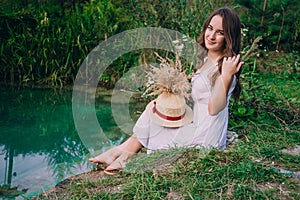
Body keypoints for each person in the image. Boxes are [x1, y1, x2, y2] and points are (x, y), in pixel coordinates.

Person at [89, 7, 243, 173]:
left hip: (205, 137)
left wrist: (226, 76)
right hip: (197, 123)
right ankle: (120, 153)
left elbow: (214, 109)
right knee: (155, 108)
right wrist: (173, 93)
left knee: (154, 122)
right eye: (210, 28)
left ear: (228, 38)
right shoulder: (206, 59)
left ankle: (122, 155)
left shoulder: (225, 69)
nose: (211, 36)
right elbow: (201, 97)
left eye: (219, 32)